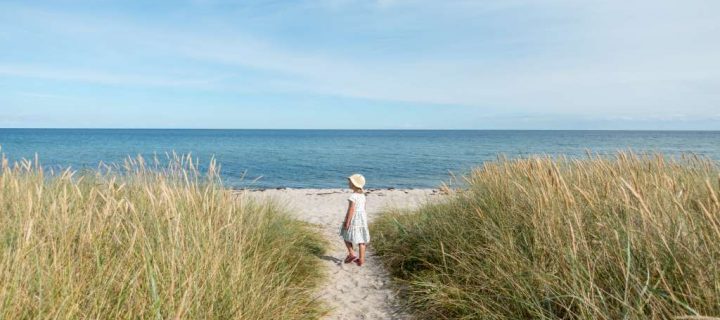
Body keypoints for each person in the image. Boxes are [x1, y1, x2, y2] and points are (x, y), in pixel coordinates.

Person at [340, 173, 370, 266]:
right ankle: (361, 259)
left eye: (350, 182)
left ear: (354, 184)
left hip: (354, 218)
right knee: (362, 240)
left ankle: (352, 253)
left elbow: (351, 210)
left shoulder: (353, 196)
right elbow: (364, 208)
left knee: (345, 234)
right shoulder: (363, 195)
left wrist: (347, 222)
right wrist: (364, 219)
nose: (348, 183)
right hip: (362, 218)